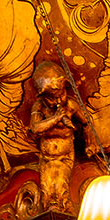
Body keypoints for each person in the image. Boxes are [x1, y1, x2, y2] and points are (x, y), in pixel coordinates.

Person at [27, 61, 83, 210]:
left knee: (60, 186)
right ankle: (50, 209)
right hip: (46, 158)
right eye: (52, 98)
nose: (58, 101)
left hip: (65, 156)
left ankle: (62, 209)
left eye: (61, 95)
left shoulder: (70, 105)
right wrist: (55, 119)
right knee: (46, 189)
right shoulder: (39, 106)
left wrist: (92, 143)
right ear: (42, 95)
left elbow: (87, 122)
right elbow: (35, 128)